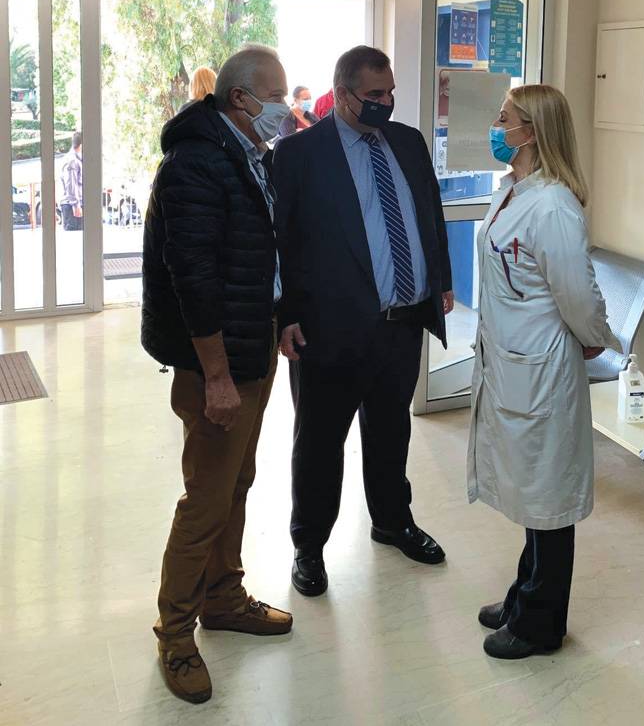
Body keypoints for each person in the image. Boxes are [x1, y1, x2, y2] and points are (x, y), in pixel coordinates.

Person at [142, 44, 293, 705]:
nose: (285, 109)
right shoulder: (196, 163)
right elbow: (195, 277)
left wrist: (282, 318)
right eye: (276, 96)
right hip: (219, 364)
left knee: (236, 482)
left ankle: (223, 597)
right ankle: (175, 636)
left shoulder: (248, 153)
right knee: (205, 499)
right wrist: (217, 376)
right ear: (240, 98)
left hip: (252, 348)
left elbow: (259, 255)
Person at [273, 45, 453, 597]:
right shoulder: (299, 153)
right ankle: (309, 545)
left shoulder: (408, 142)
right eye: (374, 94)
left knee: (391, 430)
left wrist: (441, 281)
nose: (385, 102)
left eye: (390, 92)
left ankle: (392, 521)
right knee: (320, 442)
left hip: (401, 323)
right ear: (342, 94)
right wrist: (284, 315)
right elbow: (281, 242)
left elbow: (430, 214)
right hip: (328, 329)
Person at [468, 84, 620, 660]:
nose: (496, 126)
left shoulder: (554, 205)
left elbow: (578, 295)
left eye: (504, 118)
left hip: (542, 369)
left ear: (530, 132)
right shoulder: (512, 191)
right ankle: (523, 595)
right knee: (534, 491)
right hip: (514, 363)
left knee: (549, 499)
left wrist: (593, 337)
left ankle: (540, 624)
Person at [59, 132, 83, 230]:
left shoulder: (75, 159)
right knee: (75, 236)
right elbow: (71, 184)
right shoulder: (72, 161)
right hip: (72, 206)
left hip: (73, 205)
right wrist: (76, 206)